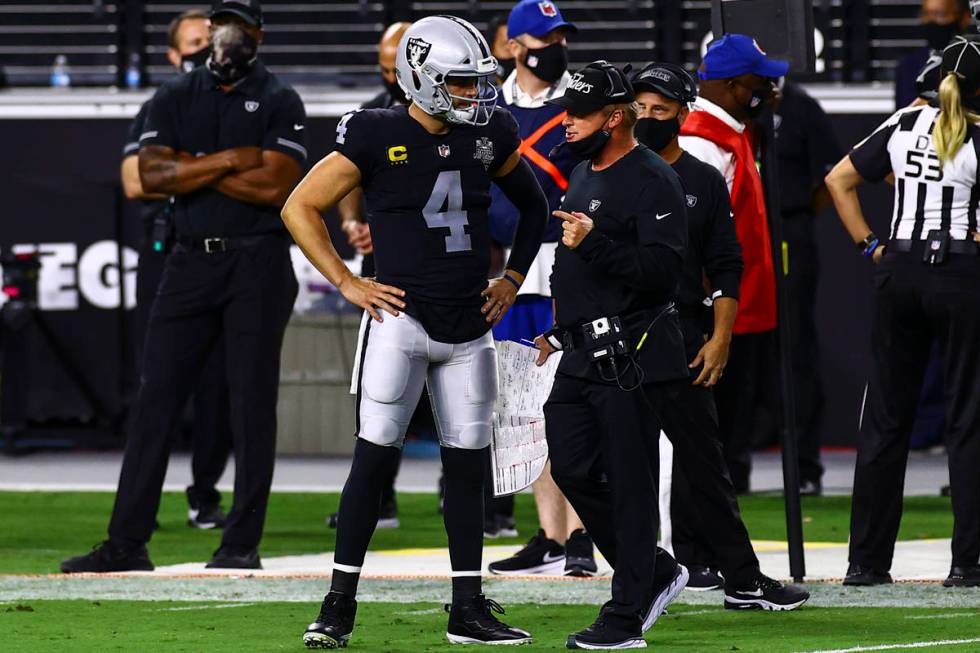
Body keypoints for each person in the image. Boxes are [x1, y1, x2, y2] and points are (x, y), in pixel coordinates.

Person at [281, 16, 547, 647]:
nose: (472, 95)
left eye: (476, 82)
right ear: (420, 78)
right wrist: (348, 282)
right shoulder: (374, 132)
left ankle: (467, 608)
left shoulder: (489, 130)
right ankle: (338, 603)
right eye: (459, 82)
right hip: (399, 319)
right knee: (372, 463)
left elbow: (533, 205)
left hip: (468, 323)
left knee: (465, 473)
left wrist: (511, 278)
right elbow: (299, 205)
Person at [61, 0, 305, 572]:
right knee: (154, 400)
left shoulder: (280, 98)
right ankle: (126, 543)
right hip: (189, 262)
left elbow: (277, 185)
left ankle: (240, 543)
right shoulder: (173, 95)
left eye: (237, 28)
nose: (226, 37)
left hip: (258, 262)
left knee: (250, 403)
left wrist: (194, 167)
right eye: (220, 27)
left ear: (257, 36)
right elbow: (150, 175)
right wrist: (232, 160)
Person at [630, 61, 810, 611]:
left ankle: (715, 568)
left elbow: (723, 257)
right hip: (630, 330)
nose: (649, 119)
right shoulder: (614, 169)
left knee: (702, 451)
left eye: (661, 111)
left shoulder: (702, 166)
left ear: (681, 113)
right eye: (641, 110)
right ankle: (665, 562)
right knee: (602, 458)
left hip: (682, 322)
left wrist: (717, 327)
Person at [532, 60, 690, 649]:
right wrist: (556, 328)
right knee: (571, 466)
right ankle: (651, 568)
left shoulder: (652, 178)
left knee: (630, 481)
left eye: (580, 113)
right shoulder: (583, 170)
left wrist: (594, 243)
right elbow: (579, 273)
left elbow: (664, 274)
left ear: (615, 117)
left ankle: (626, 614)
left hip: (632, 351)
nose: (567, 123)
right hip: (579, 348)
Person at [826, 35, 980, 589]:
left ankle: (865, 563)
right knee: (969, 419)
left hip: (901, 268)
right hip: (963, 272)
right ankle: (968, 564)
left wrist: (872, 245)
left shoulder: (903, 123)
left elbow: (837, 180)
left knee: (886, 419)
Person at [483, 0, 596, 571]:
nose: (556, 47)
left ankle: (582, 533)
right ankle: (550, 535)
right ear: (512, 44)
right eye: (544, 38)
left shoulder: (582, 103)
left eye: (560, 37)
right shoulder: (486, 105)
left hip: (564, 264)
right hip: (507, 270)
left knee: (570, 400)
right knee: (520, 405)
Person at [120, 8, 231, 531]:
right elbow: (136, 180)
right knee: (159, 382)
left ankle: (205, 492)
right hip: (168, 253)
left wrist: (181, 172)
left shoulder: (235, 102)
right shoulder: (161, 103)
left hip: (221, 251)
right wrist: (222, 167)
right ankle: (139, 502)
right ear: (172, 54)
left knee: (219, 384)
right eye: (192, 43)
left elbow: (269, 174)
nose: (202, 50)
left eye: (209, 40)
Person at [677, 33, 784, 494]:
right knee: (711, 439)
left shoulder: (731, 134)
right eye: (759, 81)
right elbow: (691, 237)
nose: (769, 91)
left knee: (731, 436)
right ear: (730, 84)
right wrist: (708, 320)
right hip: (717, 312)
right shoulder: (702, 141)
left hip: (741, 304)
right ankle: (699, 552)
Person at [324, 21, 412, 533]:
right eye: (384, 69)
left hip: (446, 268)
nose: (391, 78)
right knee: (380, 385)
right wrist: (353, 223)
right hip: (386, 272)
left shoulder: (467, 112)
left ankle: (486, 500)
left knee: (470, 392)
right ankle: (378, 494)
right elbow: (345, 177)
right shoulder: (372, 115)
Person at [773, 78, 843, 495]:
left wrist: (795, 217)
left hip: (786, 232)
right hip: (732, 235)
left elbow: (832, 174)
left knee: (793, 347)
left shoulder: (801, 107)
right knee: (738, 351)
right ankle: (732, 461)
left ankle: (803, 465)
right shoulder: (709, 116)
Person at [895, 0, 971, 109]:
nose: (931, 21)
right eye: (926, 14)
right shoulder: (907, 67)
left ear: (964, 18)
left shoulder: (974, 63)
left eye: (940, 14)